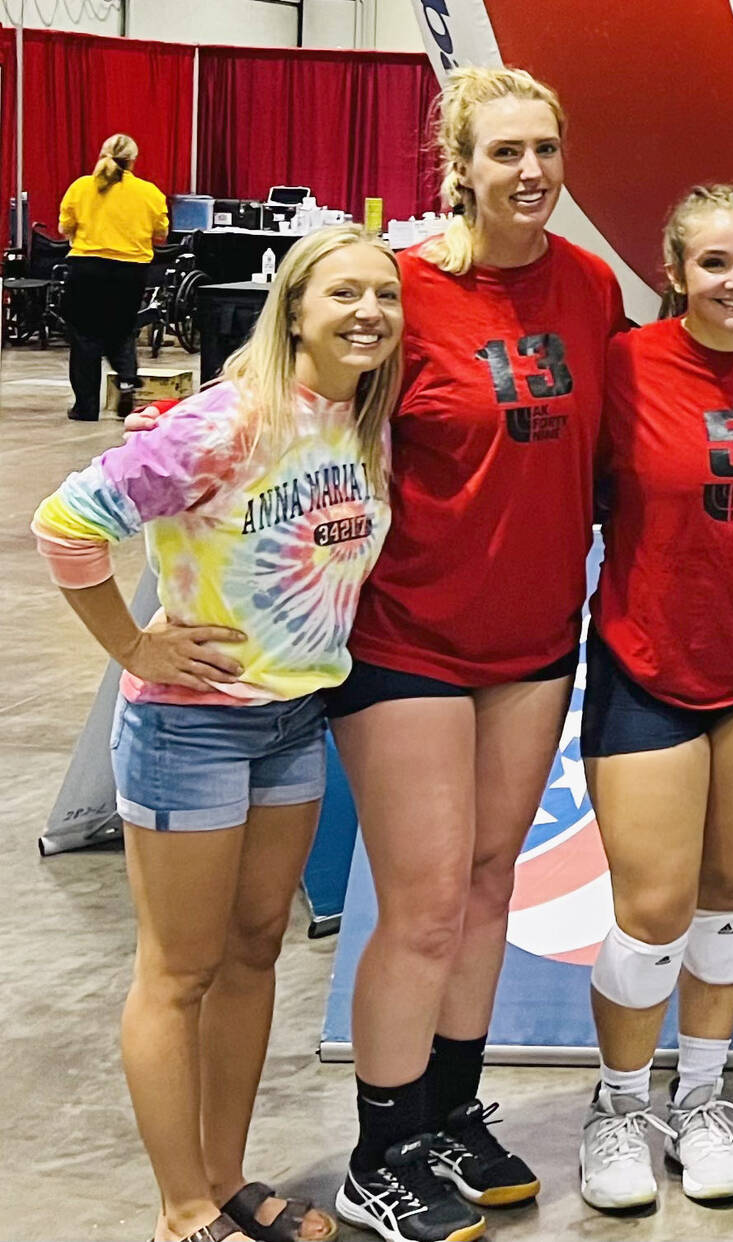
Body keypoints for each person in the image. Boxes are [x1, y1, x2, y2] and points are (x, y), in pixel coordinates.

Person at [33, 225, 400, 1242]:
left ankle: (229, 1179)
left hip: (292, 723)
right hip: (190, 732)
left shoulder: (360, 422)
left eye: (386, 294)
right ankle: (181, 1209)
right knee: (178, 970)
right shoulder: (224, 423)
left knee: (251, 955)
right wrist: (132, 648)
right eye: (345, 295)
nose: (369, 312)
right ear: (295, 310)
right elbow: (66, 524)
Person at [324, 68, 625, 1242]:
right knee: (423, 905)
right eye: (505, 152)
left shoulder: (592, 288)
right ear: (459, 167)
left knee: (491, 878)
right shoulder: (395, 292)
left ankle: (448, 1108)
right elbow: (297, 407)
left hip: (537, 639)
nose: (531, 173)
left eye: (546, 149)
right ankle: (377, 1148)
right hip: (405, 639)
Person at [574, 184, 733, 1211]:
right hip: (647, 660)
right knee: (651, 909)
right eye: (713, 263)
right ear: (672, 271)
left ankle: (702, 1100)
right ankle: (618, 1108)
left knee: (728, 897)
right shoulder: (621, 368)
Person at [57, 133, 169, 421]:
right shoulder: (149, 192)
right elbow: (161, 233)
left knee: (85, 336)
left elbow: (64, 227)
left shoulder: (81, 187)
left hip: (86, 269)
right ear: (133, 160)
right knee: (122, 328)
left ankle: (86, 406)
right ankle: (128, 378)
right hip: (130, 272)